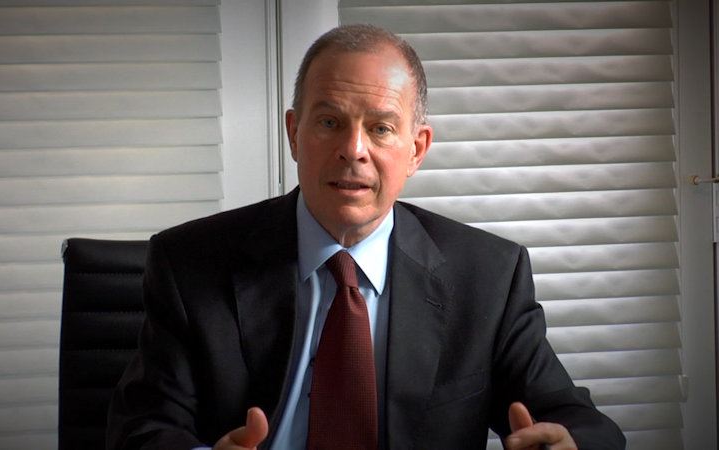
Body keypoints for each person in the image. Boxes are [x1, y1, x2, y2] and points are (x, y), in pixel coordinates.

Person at [106, 24, 625, 450]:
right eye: (329, 121)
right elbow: (140, 429)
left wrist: (571, 442)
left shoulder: (488, 275)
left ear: (417, 149)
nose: (353, 149)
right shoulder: (189, 263)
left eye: (380, 128)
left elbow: (579, 421)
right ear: (293, 134)